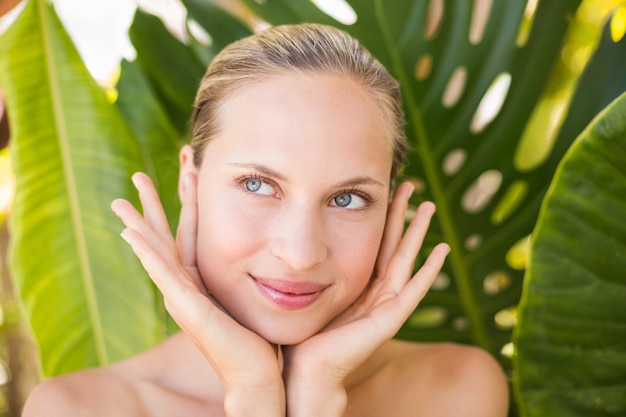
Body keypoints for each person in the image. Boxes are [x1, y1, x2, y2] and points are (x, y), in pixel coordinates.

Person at [22, 23, 508, 416]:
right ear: (190, 183)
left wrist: (315, 396)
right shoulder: (80, 409)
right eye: (257, 185)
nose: (299, 254)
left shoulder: (454, 391)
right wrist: (253, 396)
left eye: (348, 199)